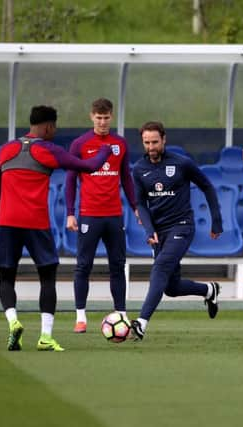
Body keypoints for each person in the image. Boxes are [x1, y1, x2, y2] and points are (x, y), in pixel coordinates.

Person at [0, 105, 111, 352]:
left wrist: (0, 213)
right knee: (47, 277)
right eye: (54, 127)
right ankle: (45, 337)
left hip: (6, 222)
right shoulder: (47, 149)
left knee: (6, 277)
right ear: (48, 126)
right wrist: (105, 151)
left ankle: (13, 321)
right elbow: (88, 167)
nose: (55, 131)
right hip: (35, 223)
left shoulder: (6, 149)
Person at [129, 121, 222, 340]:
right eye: (146, 143)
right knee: (170, 287)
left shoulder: (182, 163)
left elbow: (207, 186)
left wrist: (216, 220)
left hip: (182, 226)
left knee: (160, 268)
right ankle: (209, 290)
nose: (151, 147)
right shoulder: (139, 169)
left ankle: (141, 323)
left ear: (163, 140)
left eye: (154, 142)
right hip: (158, 232)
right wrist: (149, 229)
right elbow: (140, 204)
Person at [65, 98, 137, 333]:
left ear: (111, 117)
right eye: (99, 117)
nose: (103, 122)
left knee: (118, 265)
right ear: (91, 116)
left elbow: (126, 177)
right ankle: (80, 317)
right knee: (83, 265)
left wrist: (135, 205)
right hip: (89, 214)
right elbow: (70, 179)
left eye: (106, 118)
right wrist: (70, 213)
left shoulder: (120, 144)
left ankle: (122, 315)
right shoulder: (80, 144)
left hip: (114, 215)